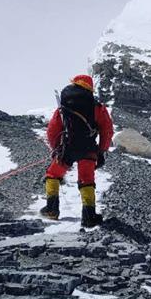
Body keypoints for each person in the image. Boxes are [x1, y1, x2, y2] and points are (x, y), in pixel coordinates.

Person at [40, 74, 113, 227]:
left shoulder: (64, 105)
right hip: (88, 149)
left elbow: (52, 130)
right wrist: (101, 151)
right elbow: (107, 131)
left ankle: (52, 210)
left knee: (53, 175)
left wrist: (56, 148)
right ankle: (89, 217)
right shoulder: (97, 107)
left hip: (67, 148)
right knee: (87, 180)